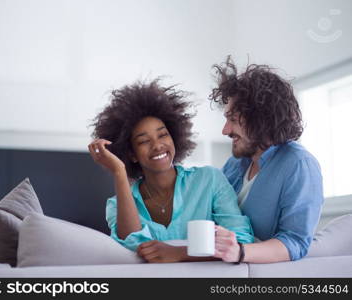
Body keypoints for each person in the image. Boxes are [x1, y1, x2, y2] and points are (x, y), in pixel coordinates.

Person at [89, 79, 254, 263]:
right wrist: (119, 171)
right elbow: (130, 246)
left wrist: (180, 253)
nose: (158, 145)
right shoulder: (117, 205)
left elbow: (241, 241)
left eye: (163, 135)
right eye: (144, 141)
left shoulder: (209, 180)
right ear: (132, 155)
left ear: (174, 137)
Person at [209, 57, 324, 263]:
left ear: (262, 119)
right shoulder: (236, 163)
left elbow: (295, 242)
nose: (225, 130)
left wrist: (240, 252)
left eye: (233, 120)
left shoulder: (299, 165)